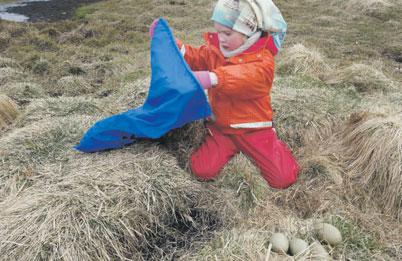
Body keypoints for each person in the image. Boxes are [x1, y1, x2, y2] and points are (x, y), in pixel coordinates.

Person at [150, 0, 299, 189]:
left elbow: (245, 78)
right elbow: (195, 57)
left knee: (283, 178)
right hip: (221, 129)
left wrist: (212, 78)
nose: (221, 38)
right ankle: (232, 149)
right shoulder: (217, 50)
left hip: (254, 130)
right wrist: (172, 44)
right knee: (200, 170)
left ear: (249, 32)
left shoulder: (263, 61)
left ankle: (272, 147)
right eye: (218, 31)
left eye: (227, 33)